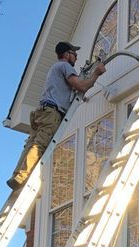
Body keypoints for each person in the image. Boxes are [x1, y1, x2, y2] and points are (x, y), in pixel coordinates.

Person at [7, 42, 107, 191]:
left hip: (41, 112)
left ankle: (17, 175)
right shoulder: (65, 66)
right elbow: (81, 86)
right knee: (39, 145)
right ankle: (22, 176)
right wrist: (96, 73)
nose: (76, 56)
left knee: (31, 144)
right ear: (66, 54)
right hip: (51, 113)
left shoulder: (55, 69)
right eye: (74, 53)